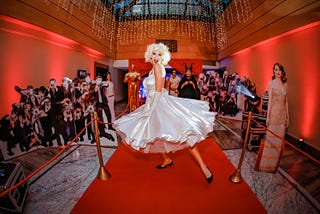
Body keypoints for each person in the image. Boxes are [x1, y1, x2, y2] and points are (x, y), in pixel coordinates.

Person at [114, 43, 216, 183]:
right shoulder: (152, 69)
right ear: (150, 54)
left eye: (159, 54)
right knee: (154, 134)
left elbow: (158, 90)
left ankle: (204, 168)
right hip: (152, 103)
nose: (156, 57)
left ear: (163, 56)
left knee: (184, 135)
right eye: (154, 53)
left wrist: (150, 109)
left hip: (159, 104)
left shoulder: (158, 67)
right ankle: (167, 159)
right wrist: (148, 107)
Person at [255, 62, 289, 172]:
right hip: (274, 113)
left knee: (279, 141)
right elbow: (269, 101)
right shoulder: (271, 83)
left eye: (279, 69)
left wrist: (288, 116)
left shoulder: (285, 84)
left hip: (282, 115)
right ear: (273, 72)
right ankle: (265, 166)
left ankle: (274, 166)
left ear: (282, 71)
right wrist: (267, 117)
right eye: (275, 69)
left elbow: (286, 102)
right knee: (271, 139)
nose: (277, 72)